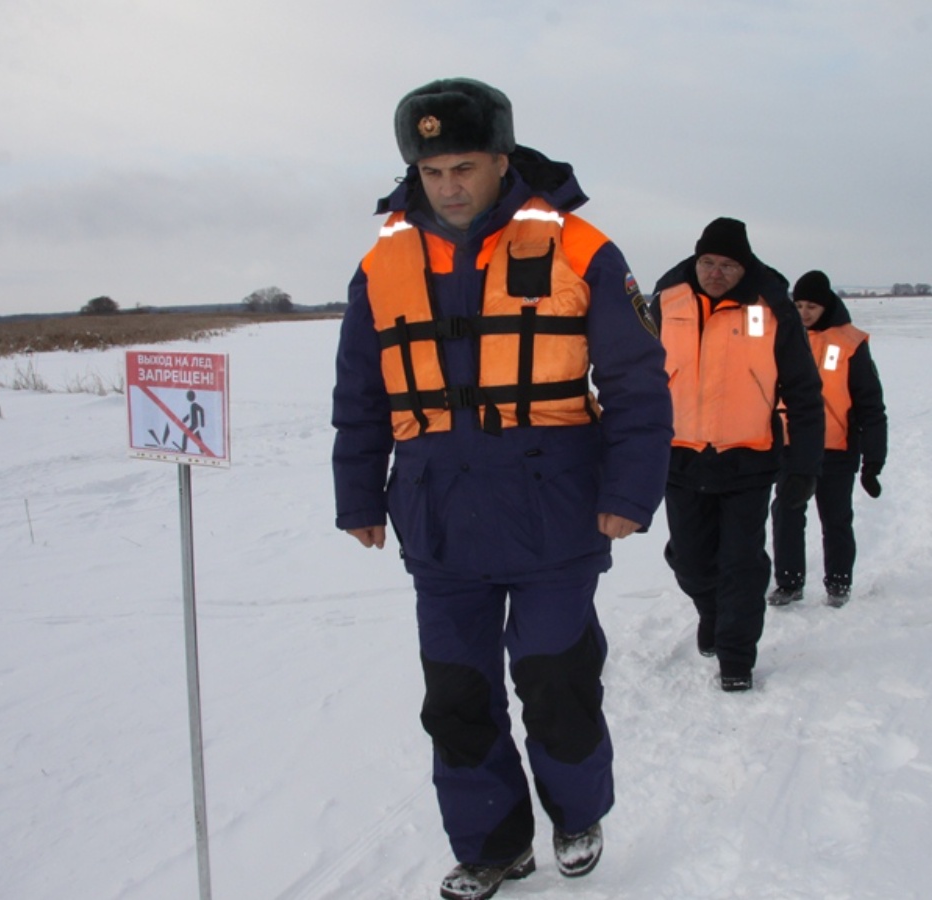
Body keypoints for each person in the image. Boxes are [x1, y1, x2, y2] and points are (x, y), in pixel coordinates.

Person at [331, 77, 673, 900]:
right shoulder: (382, 263)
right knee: (456, 693)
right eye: (433, 169)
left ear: (502, 161)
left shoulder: (584, 249)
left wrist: (632, 492)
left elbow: (637, 381)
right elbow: (360, 391)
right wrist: (358, 495)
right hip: (438, 516)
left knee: (555, 680)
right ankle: (493, 845)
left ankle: (577, 812)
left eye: (464, 166)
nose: (448, 186)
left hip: (554, 510)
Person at [651, 218, 824, 693]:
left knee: (741, 563)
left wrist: (803, 466)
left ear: (744, 267)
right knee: (689, 560)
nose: (716, 273)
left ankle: (736, 656)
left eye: (728, 265)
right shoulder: (666, 300)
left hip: (748, 458)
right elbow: (637, 378)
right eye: (708, 262)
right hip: (680, 456)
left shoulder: (772, 308)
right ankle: (711, 609)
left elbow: (804, 393)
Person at [768, 270, 888, 608]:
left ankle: (838, 582)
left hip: (837, 449)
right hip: (791, 447)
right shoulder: (782, 337)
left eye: (811, 306)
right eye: (799, 305)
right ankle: (789, 583)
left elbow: (871, 405)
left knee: (835, 519)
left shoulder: (850, 343)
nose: (803, 313)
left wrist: (873, 461)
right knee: (786, 515)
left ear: (827, 306)